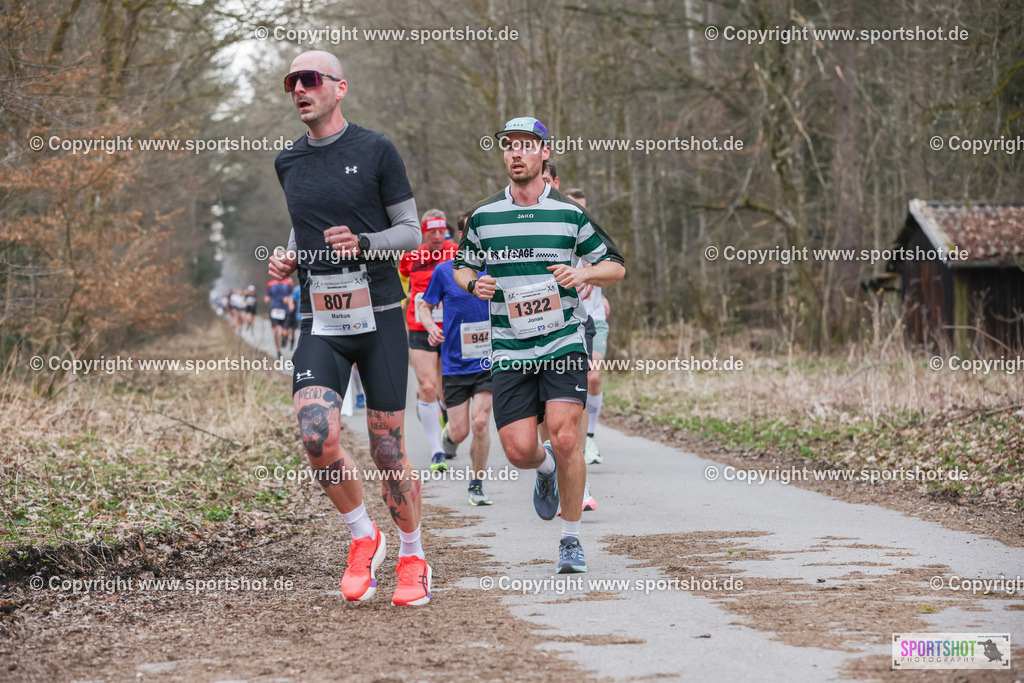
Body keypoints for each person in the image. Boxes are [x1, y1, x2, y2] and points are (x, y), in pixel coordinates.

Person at [268, 49, 431, 606]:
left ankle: (412, 555)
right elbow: (303, 226)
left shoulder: (376, 149)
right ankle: (365, 537)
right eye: (292, 81)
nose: (299, 89)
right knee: (317, 434)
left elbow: (409, 232)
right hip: (321, 317)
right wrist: (289, 258)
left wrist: (364, 244)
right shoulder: (287, 161)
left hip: (381, 314)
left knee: (387, 448)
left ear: (340, 88)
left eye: (310, 79)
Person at [454, 117, 625, 573]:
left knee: (566, 436)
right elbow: (462, 267)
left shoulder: (569, 212)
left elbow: (615, 265)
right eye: (509, 146)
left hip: (563, 340)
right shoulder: (484, 215)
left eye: (526, 146)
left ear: (545, 153)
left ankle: (571, 540)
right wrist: (475, 286)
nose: (516, 153)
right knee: (518, 450)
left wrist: (583, 273)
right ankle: (544, 469)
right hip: (510, 347)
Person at [417, 253, 494, 505]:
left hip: (488, 361)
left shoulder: (495, 267)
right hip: (456, 363)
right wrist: (431, 327)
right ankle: (449, 437)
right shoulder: (444, 271)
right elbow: (424, 306)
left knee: (480, 423)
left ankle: (477, 485)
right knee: (460, 432)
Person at [398, 211, 458, 471]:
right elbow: (402, 280)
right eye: (431, 231)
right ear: (423, 232)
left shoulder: (457, 252)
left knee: (445, 385)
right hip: (419, 326)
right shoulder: (411, 256)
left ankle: (444, 413)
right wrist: (406, 300)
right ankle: (436, 451)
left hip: (453, 328)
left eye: (440, 230)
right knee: (427, 384)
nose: (436, 236)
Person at [565, 188, 610, 465]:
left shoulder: (595, 236)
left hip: (596, 321)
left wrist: (604, 297)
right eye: (575, 206)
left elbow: (611, 268)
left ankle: (589, 437)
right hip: (569, 321)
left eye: (584, 207)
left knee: (593, 377)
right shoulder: (559, 235)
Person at [266, 276, 294, 359]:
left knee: (285, 332)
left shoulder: (287, 283)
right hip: (274, 310)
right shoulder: (270, 285)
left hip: (284, 310)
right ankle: (278, 351)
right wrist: (267, 298)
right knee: (275, 331)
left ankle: (284, 338)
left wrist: (289, 300)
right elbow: (268, 295)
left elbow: (291, 295)